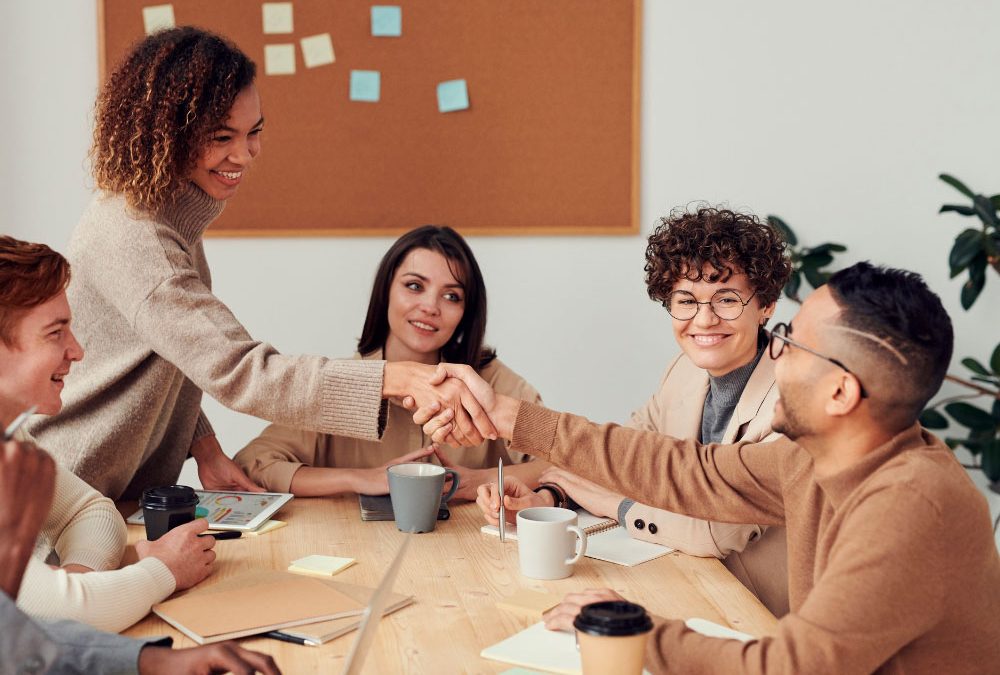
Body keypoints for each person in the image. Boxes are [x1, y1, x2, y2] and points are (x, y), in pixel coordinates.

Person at [417, 262, 1000, 674]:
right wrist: (510, 416)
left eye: (793, 343)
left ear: (842, 393)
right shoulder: (817, 458)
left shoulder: (910, 504)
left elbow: (796, 667)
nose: (776, 351)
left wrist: (636, 631)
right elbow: (684, 470)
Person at [26, 27, 494, 502]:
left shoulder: (164, 216)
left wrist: (204, 446)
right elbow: (241, 370)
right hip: (68, 493)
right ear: (169, 133)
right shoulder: (140, 238)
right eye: (222, 136)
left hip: (112, 495)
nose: (244, 155)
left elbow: (174, 352)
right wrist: (391, 378)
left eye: (254, 132)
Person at [476, 207, 792, 615]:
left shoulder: (791, 400)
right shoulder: (682, 372)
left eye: (727, 299)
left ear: (765, 305)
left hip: (761, 616)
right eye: (686, 300)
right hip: (686, 587)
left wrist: (617, 506)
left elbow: (715, 532)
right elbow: (620, 458)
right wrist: (549, 496)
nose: (704, 319)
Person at [0, 236, 218, 632]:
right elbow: (47, 612)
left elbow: (89, 511)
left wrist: (80, 584)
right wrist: (163, 570)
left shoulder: (9, 439)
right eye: (55, 333)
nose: (77, 351)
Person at [234, 226, 545, 500]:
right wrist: (360, 478)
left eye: (451, 296)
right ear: (385, 292)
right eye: (414, 286)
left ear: (467, 312)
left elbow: (569, 462)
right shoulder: (342, 383)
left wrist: (483, 480)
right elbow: (253, 464)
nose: (430, 307)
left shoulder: (490, 381)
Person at [0, 434, 280, 674]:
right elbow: (55, 615)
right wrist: (162, 570)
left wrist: (149, 660)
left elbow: (15, 637)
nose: (77, 366)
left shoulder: (10, 432)